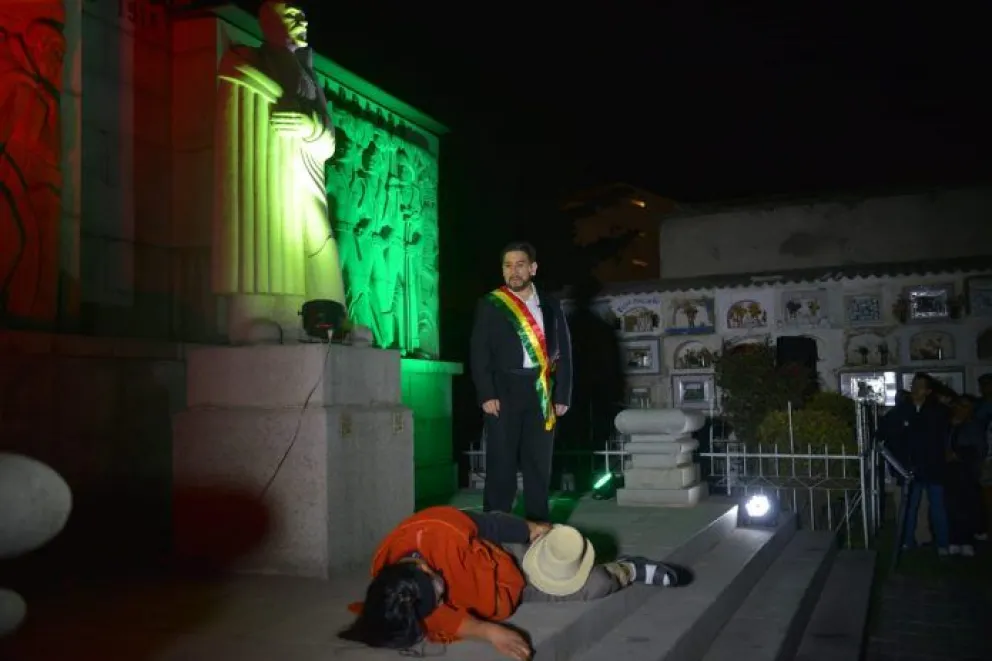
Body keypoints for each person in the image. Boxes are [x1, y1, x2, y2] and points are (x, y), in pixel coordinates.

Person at [340, 506, 687, 660]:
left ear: (421, 565)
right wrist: (489, 631)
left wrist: (530, 530)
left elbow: (488, 524)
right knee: (591, 585)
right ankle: (621, 569)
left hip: (509, 555)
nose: (445, 596)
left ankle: (630, 569)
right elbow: (437, 618)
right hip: (509, 595)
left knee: (598, 583)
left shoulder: (437, 529)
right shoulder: (396, 592)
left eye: (440, 587)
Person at [470, 242, 573, 522]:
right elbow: (479, 353)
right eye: (507, 266)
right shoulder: (490, 304)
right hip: (503, 392)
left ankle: (538, 525)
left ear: (533, 268)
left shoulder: (551, 305)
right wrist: (486, 394)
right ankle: (496, 526)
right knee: (501, 464)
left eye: (520, 265)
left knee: (538, 464)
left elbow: (564, 351)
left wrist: (562, 394)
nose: (513, 271)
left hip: (541, 390)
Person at [887, 373, 952, 554]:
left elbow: (938, 435)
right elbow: (892, 433)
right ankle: (907, 541)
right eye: (914, 384)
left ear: (928, 391)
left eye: (920, 385)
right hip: (912, 466)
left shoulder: (937, 410)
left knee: (937, 507)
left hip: (934, 466)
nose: (915, 388)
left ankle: (943, 544)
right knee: (910, 507)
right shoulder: (903, 409)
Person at [946, 395, 986, 556]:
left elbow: (979, 449)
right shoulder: (950, 424)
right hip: (951, 472)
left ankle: (966, 541)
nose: (961, 409)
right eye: (960, 406)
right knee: (952, 506)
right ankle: (955, 540)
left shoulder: (973, 426)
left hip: (967, 471)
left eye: (966, 407)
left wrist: (958, 455)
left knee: (967, 507)